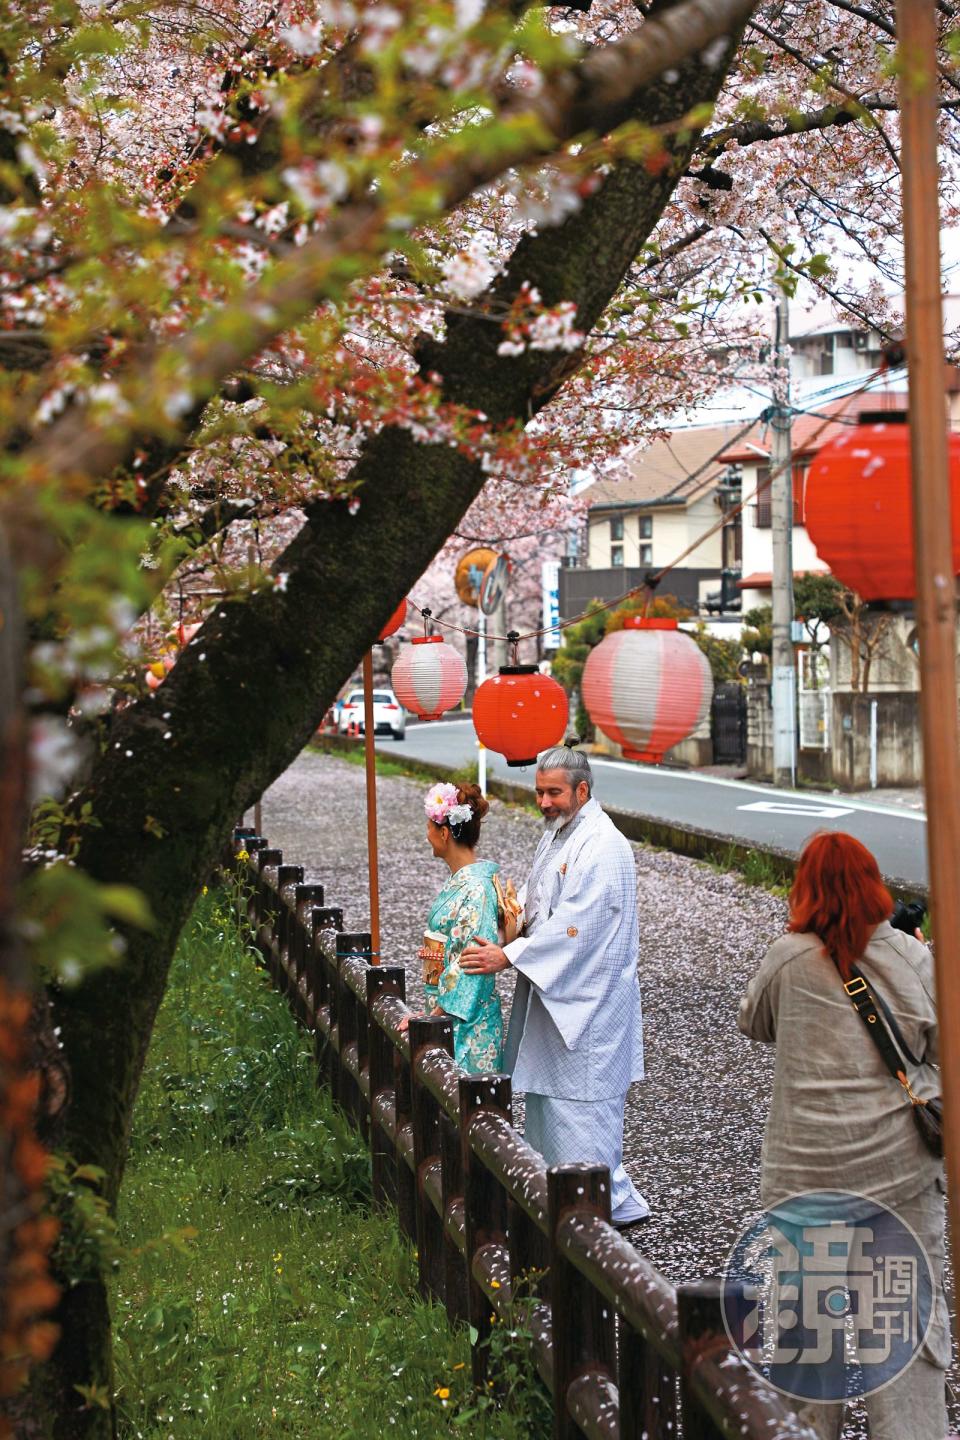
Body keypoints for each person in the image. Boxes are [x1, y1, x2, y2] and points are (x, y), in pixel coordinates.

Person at [738, 831, 947, 1440]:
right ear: (873, 884)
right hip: (898, 1183)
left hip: (807, 1187)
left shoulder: (788, 956)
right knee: (902, 1338)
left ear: (804, 889)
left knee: (810, 1345)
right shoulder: (914, 959)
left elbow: (755, 1021)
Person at [460, 747, 648, 1228]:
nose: (544, 802)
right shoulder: (561, 836)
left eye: (554, 792)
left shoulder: (604, 847)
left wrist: (509, 955)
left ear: (582, 791)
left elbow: (576, 928)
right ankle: (563, 1204)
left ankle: (596, 1213)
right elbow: (538, 900)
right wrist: (509, 920)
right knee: (551, 1113)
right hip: (560, 999)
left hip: (591, 1006)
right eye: (539, 792)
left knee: (584, 1116)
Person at [400, 781, 503, 1073]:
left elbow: (469, 961)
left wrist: (436, 1016)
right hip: (449, 1013)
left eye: (430, 828)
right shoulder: (467, 883)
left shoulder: (476, 889)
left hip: (468, 1023)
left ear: (444, 833)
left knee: (470, 1108)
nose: (426, 834)